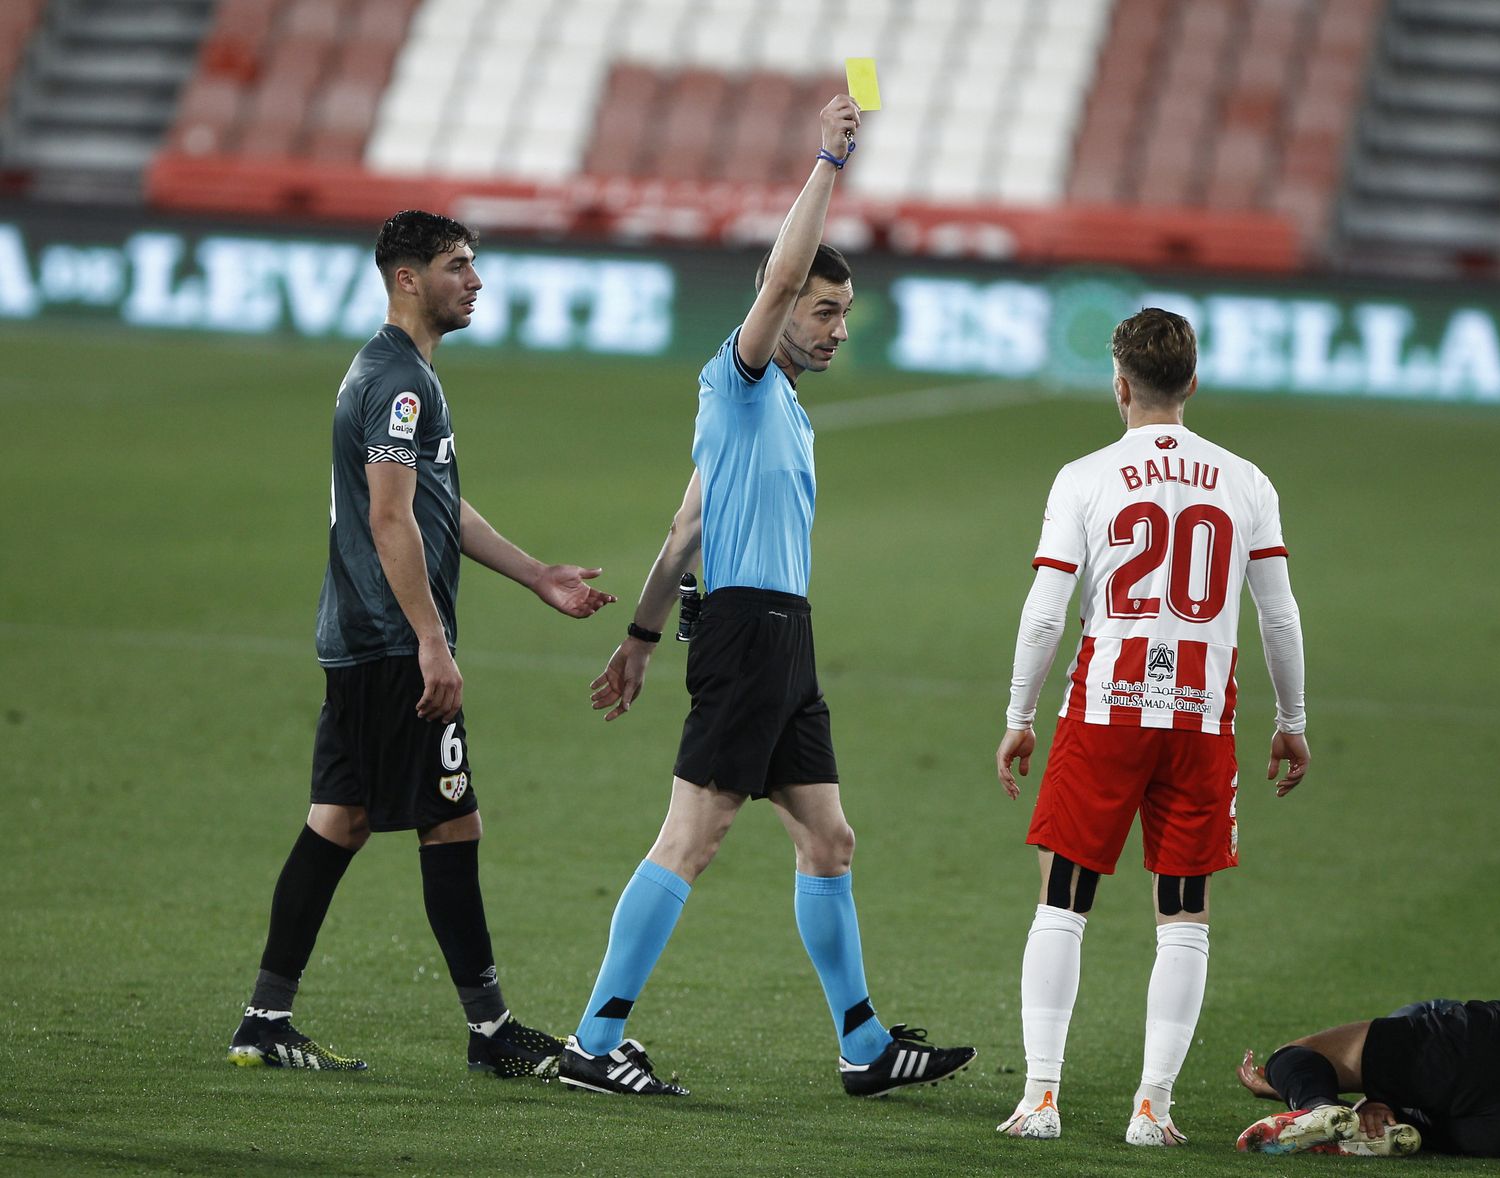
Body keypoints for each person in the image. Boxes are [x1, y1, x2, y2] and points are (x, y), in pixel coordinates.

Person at [560, 96, 976, 1099]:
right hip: (749, 632)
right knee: (691, 838)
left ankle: (864, 1044)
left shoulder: (774, 413)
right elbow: (785, 266)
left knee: (828, 838)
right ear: (777, 307)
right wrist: (830, 158)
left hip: (781, 639)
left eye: (842, 313)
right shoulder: (740, 379)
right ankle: (593, 1039)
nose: (838, 328)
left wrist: (641, 637)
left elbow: (684, 528)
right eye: (824, 311)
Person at [227, 210, 615, 1077]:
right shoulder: (399, 381)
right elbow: (390, 515)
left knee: (343, 818)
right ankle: (491, 1033)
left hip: (363, 639)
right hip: (389, 642)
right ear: (408, 278)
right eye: (458, 265)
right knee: (450, 821)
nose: (475, 281)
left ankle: (264, 1018)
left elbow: (437, 503)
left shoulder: (399, 374)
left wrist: (536, 574)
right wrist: (431, 643)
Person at [993, 308, 1309, 1145]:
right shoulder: (1246, 480)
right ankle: (1152, 1107)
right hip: (1201, 719)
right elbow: (1278, 617)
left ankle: (1040, 1098)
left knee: (1063, 902)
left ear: (1121, 384)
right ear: (1192, 384)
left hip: (1104, 712)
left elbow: (1044, 611)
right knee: (1184, 912)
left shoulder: (1085, 475)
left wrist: (1021, 716)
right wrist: (1294, 720)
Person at [1235, 998, 1500, 1160]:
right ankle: (1368, 1132)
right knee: (1410, 1126)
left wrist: (1290, 1085)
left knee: (1288, 1057)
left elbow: (1409, 1026)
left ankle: (1318, 1105)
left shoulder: (1436, 1016)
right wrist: (1380, 1100)